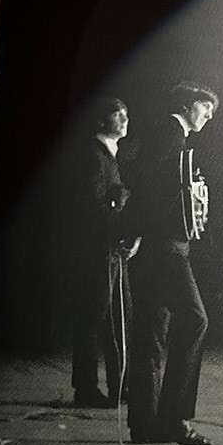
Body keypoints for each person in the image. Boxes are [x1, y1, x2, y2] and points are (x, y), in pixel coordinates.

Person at [126, 81, 218, 445]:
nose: (209, 115)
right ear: (187, 103)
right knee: (195, 320)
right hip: (166, 248)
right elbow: (147, 190)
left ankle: (144, 424)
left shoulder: (166, 135)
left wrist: (132, 233)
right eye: (206, 107)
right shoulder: (170, 135)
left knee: (150, 330)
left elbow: (143, 186)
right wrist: (136, 230)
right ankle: (174, 419)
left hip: (154, 247)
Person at [69, 97, 139, 408]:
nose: (125, 120)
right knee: (94, 318)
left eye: (126, 114)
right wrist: (122, 232)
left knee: (118, 318)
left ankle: (119, 385)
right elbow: (94, 208)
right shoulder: (94, 157)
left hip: (112, 250)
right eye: (117, 115)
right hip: (100, 250)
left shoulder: (109, 156)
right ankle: (85, 388)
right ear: (101, 121)